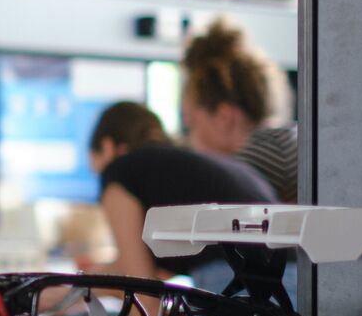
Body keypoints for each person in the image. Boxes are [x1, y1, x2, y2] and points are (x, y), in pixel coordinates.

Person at [87, 101, 274, 282]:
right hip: (292, 275)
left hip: (242, 280)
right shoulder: (180, 168)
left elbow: (141, 293)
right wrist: (74, 289)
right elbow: (137, 269)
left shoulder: (119, 170)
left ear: (107, 147)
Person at [180, 17, 297, 203]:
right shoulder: (282, 146)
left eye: (192, 125)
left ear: (224, 117)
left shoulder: (256, 160)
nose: (190, 142)